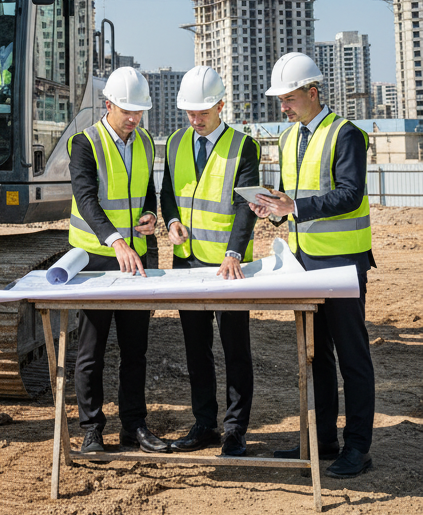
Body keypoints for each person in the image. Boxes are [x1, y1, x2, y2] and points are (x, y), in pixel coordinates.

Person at [250, 52, 375, 478]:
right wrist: (275, 208)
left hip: (342, 264)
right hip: (304, 263)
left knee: (352, 357)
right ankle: (323, 442)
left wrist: (296, 206)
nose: (282, 107)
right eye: (280, 100)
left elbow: (350, 195)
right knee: (315, 355)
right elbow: (293, 196)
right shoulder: (289, 139)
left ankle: (359, 448)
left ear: (312, 92)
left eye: (288, 99)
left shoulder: (346, 134)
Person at [67, 66, 169, 455]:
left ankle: (134, 426)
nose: (134, 118)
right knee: (91, 351)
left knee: (135, 350)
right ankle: (92, 430)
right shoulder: (84, 143)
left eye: (139, 111)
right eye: (127, 110)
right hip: (95, 260)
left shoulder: (143, 141)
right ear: (107, 105)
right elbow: (87, 199)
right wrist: (115, 241)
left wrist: (149, 216)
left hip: (135, 260)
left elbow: (145, 190)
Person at [160, 66, 259, 456]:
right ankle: (204, 424)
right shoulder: (174, 142)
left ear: (221, 105)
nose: (195, 119)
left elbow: (245, 205)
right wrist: (170, 222)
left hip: (228, 265)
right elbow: (168, 192)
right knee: (195, 348)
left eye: (202, 112)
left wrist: (234, 251)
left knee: (235, 349)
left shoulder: (243, 146)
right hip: (186, 261)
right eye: (189, 112)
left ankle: (235, 430)